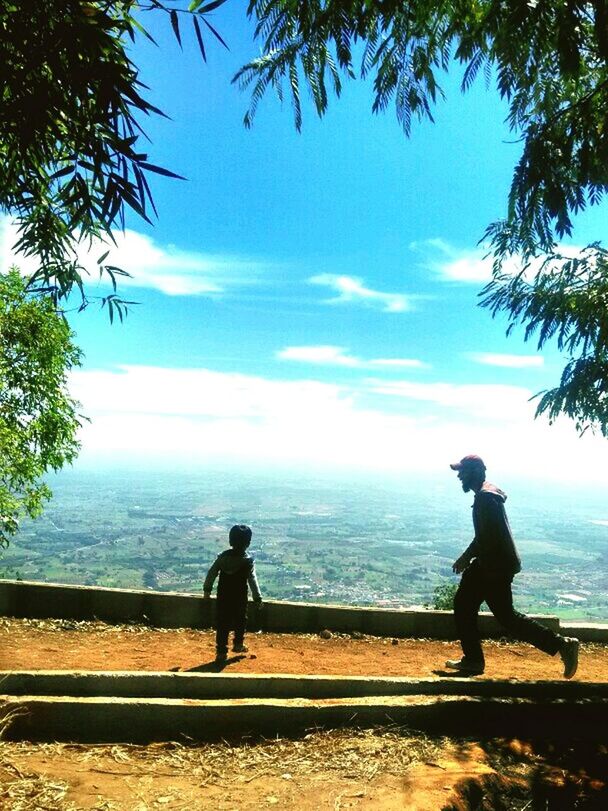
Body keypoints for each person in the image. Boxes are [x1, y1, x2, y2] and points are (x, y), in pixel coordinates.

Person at [447, 454, 579, 678]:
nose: (460, 477)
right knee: (504, 616)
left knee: (467, 606)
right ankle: (561, 645)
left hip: (492, 567)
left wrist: (465, 558)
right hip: (496, 565)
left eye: (463, 472)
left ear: (475, 473)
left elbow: (485, 539)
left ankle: (474, 660)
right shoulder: (488, 495)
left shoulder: (485, 499)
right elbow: (485, 537)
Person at [203, 524, 262, 663]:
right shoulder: (247, 561)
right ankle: (238, 644)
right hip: (240, 597)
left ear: (230, 541)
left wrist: (207, 591)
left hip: (223, 596)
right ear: (248, 543)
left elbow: (211, 574)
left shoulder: (222, 558)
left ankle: (221, 652)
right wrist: (257, 597)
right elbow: (252, 580)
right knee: (241, 620)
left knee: (222, 622)